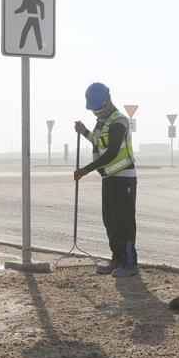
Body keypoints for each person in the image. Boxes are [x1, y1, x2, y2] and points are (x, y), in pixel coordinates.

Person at [74, 83, 139, 277]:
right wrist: (85, 131)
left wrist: (85, 170)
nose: (96, 112)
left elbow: (111, 153)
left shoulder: (119, 121)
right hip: (109, 178)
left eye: (99, 108)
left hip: (123, 178)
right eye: (93, 109)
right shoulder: (103, 120)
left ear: (108, 100)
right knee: (109, 220)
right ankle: (117, 259)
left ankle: (129, 263)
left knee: (124, 222)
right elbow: (98, 141)